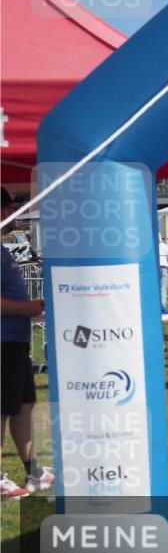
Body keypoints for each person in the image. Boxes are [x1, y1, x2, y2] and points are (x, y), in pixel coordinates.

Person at [1, 188, 55, 499]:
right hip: (4, 342)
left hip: (15, 340)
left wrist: (30, 306)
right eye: (9, 208)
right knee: (3, 409)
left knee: (23, 406)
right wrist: (27, 308)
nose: (13, 215)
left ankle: (33, 470)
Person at [158, 236, 168, 322]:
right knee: (162, 287)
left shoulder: (153, 246)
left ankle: (159, 306)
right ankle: (162, 306)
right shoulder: (163, 246)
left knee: (157, 288)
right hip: (163, 267)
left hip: (155, 267)